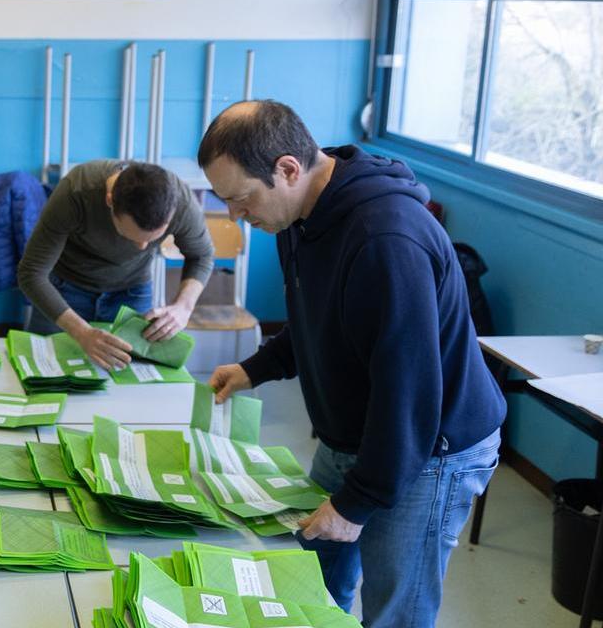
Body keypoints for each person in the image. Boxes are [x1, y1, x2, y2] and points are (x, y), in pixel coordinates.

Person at [199, 99, 506, 627]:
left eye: (240, 198)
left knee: (394, 611)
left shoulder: (386, 238)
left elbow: (408, 391)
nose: (235, 216)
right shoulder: (297, 213)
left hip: (429, 447)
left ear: (288, 169)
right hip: (357, 434)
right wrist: (258, 367)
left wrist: (357, 502)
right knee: (312, 585)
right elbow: (317, 315)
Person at [17, 160, 214, 370]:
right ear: (110, 201)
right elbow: (31, 273)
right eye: (132, 237)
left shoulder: (181, 203)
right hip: (65, 289)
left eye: (152, 239)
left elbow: (202, 256)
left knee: (134, 379)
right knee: (44, 370)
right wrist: (81, 332)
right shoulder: (76, 191)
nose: (142, 247)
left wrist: (183, 306)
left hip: (131, 291)